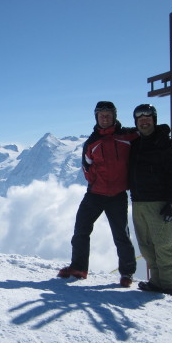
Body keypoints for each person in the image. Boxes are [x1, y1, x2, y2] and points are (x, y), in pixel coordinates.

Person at [58, 101, 138, 287]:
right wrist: (94, 181)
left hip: (117, 195)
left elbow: (146, 133)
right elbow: (86, 166)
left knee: (121, 235)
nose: (105, 118)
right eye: (101, 115)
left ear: (114, 116)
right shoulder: (92, 142)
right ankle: (78, 268)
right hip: (95, 193)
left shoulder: (128, 136)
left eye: (108, 115)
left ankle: (127, 274)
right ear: (96, 117)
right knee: (81, 230)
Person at [128, 104, 172, 297]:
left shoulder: (165, 143)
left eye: (148, 118)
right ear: (136, 122)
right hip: (138, 202)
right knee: (146, 246)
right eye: (140, 119)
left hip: (159, 202)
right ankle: (157, 282)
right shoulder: (135, 143)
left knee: (163, 245)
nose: (144, 121)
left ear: (154, 119)